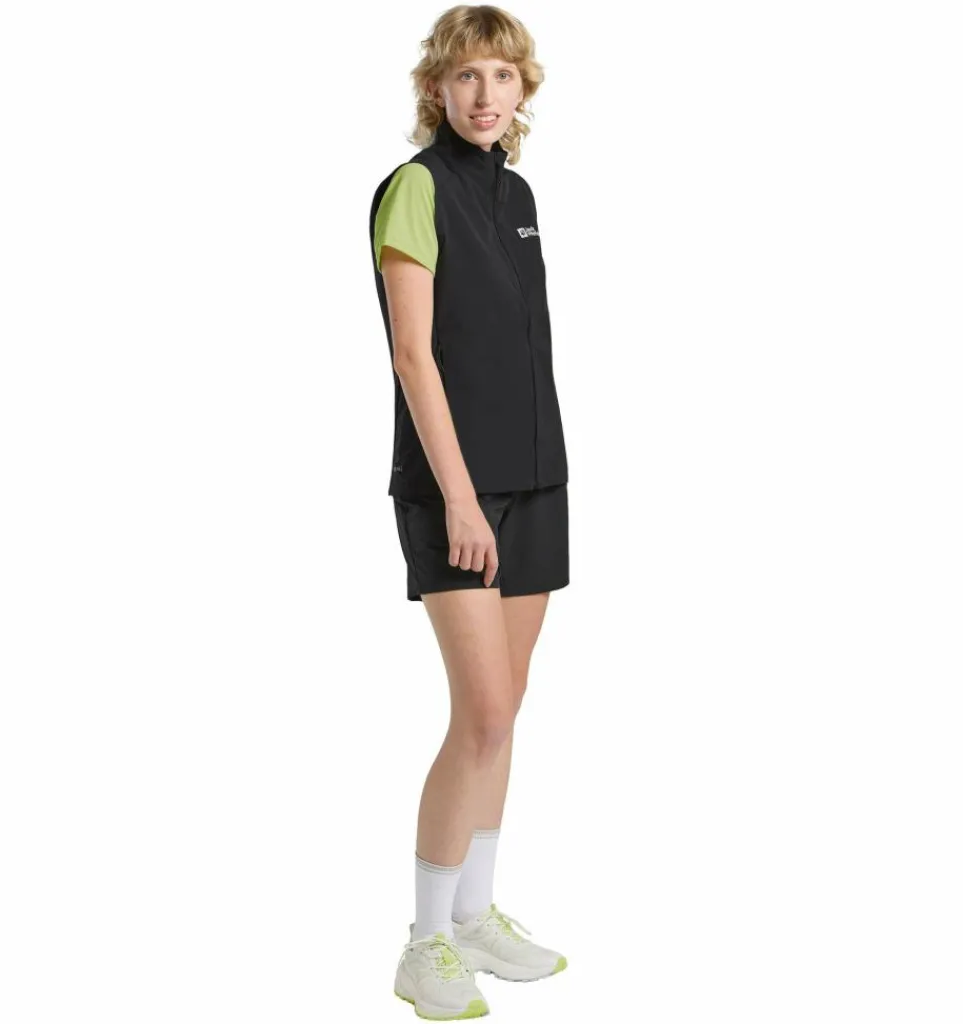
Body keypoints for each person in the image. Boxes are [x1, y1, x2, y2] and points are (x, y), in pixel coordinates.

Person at [368, 7, 570, 1019]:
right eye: (465, 76)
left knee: (506, 712)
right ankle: (425, 942)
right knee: (480, 713)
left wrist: (531, 479)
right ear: (435, 89)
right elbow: (414, 354)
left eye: (501, 75)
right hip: (455, 488)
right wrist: (458, 496)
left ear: (521, 87)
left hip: (535, 478)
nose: (485, 94)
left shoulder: (517, 192)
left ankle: (475, 913)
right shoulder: (415, 188)